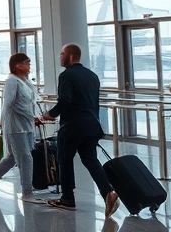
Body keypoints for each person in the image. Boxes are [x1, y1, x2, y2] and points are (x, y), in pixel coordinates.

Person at [41, 44, 119, 217]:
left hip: (72, 126)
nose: (60, 57)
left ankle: (67, 198)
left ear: (70, 56)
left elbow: (65, 101)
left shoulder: (66, 75)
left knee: (64, 159)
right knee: (90, 159)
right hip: (92, 125)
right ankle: (108, 192)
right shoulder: (92, 76)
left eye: (62, 54)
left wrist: (50, 114)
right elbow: (94, 103)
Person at [0, 53, 45, 204]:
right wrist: (31, 116)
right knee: (26, 158)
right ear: (18, 65)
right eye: (27, 63)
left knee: (14, 156)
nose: (29, 66)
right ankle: (27, 192)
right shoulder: (12, 81)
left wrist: (35, 116)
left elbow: (31, 101)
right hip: (15, 126)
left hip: (26, 125)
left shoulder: (25, 81)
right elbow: (11, 104)